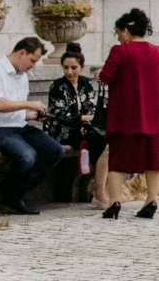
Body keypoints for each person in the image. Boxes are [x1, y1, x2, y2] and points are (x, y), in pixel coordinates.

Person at [0, 36, 62, 215]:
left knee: (55, 150)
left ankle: (13, 192)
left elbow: (15, 111)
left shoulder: (22, 75)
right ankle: (12, 196)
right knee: (27, 156)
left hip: (18, 127)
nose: (33, 65)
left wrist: (33, 115)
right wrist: (29, 104)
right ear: (21, 53)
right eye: (33, 60)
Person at [99, 9, 159, 219]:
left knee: (117, 161)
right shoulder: (158, 51)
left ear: (127, 30)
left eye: (119, 31)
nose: (118, 36)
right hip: (152, 117)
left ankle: (114, 202)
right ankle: (151, 200)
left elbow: (106, 76)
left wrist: (98, 73)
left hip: (124, 117)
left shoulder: (120, 51)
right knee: (153, 161)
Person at [46, 43, 108, 205]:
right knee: (100, 141)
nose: (69, 72)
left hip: (84, 129)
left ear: (81, 67)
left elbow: (92, 108)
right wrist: (83, 118)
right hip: (63, 131)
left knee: (106, 140)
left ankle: (98, 186)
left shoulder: (86, 84)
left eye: (74, 68)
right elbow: (59, 114)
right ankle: (98, 190)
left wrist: (87, 119)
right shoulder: (58, 86)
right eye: (66, 68)